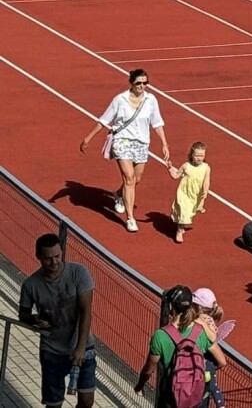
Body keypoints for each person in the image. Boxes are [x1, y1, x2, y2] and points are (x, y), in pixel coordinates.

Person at [80, 68, 170, 233]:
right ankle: (130, 218)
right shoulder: (120, 100)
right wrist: (88, 138)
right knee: (129, 178)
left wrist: (164, 143)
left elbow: (157, 123)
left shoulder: (151, 100)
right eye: (138, 83)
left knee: (136, 179)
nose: (142, 86)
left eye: (145, 83)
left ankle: (118, 194)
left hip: (142, 143)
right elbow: (104, 120)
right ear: (131, 83)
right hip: (122, 141)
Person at [20, 232, 96, 408]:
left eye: (57, 256)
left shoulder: (79, 273)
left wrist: (81, 347)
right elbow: (22, 314)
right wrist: (33, 319)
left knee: (86, 401)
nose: (54, 262)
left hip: (83, 347)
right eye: (48, 259)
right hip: (51, 351)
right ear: (38, 257)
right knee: (53, 403)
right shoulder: (31, 285)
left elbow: (86, 312)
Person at [135, 285, 227, 399]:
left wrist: (139, 386)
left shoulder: (160, 336)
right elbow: (222, 361)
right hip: (196, 395)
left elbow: (149, 370)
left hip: (171, 395)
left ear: (170, 306)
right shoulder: (202, 331)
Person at [167, 141, 210, 245]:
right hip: (184, 193)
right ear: (191, 155)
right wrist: (170, 168)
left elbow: (207, 181)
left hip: (195, 194)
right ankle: (180, 231)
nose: (199, 158)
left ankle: (181, 224)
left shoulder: (206, 167)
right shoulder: (186, 166)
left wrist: (205, 191)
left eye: (202, 156)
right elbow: (176, 176)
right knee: (184, 211)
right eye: (197, 155)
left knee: (190, 212)